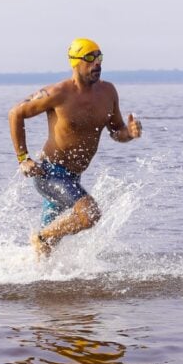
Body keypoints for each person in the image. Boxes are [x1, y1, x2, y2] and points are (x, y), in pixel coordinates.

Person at [8, 37, 143, 257]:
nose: (97, 63)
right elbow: (16, 113)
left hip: (73, 177)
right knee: (89, 213)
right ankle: (41, 238)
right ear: (75, 62)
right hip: (49, 173)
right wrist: (23, 158)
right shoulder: (58, 93)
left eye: (99, 57)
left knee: (46, 256)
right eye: (89, 58)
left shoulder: (108, 92)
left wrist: (129, 133)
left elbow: (116, 131)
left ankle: (37, 278)